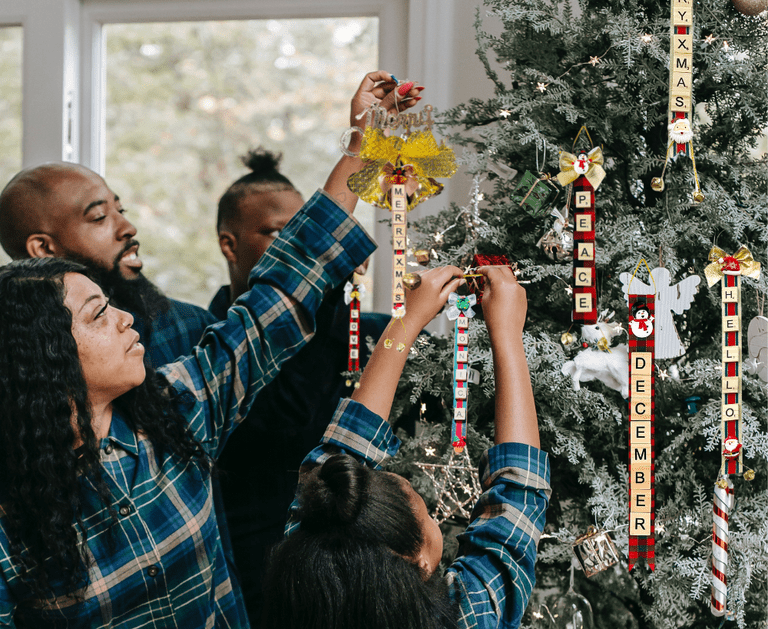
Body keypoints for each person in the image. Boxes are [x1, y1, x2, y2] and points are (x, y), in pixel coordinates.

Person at [0, 72, 414, 628]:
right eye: (100, 313)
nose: (127, 319)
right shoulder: (14, 520)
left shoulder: (175, 410)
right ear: (45, 355)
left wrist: (365, 142)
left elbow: (285, 290)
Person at [262, 265, 552, 629]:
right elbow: (519, 492)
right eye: (429, 514)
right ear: (421, 565)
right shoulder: (462, 620)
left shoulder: (304, 572)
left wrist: (408, 318)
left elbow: (340, 460)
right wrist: (508, 333)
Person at [211, 148, 391, 624]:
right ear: (229, 244)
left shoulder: (365, 334)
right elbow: (285, 421)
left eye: (300, 228)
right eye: (274, 232)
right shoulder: (207, 348)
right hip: (251, 568)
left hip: (348, 567)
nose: (293, 243)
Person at [0, 161, 216, 371]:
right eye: (99, 217)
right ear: (43, 248)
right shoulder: (15, 364)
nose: (128, 228)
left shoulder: (193, 328)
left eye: (121, 211)